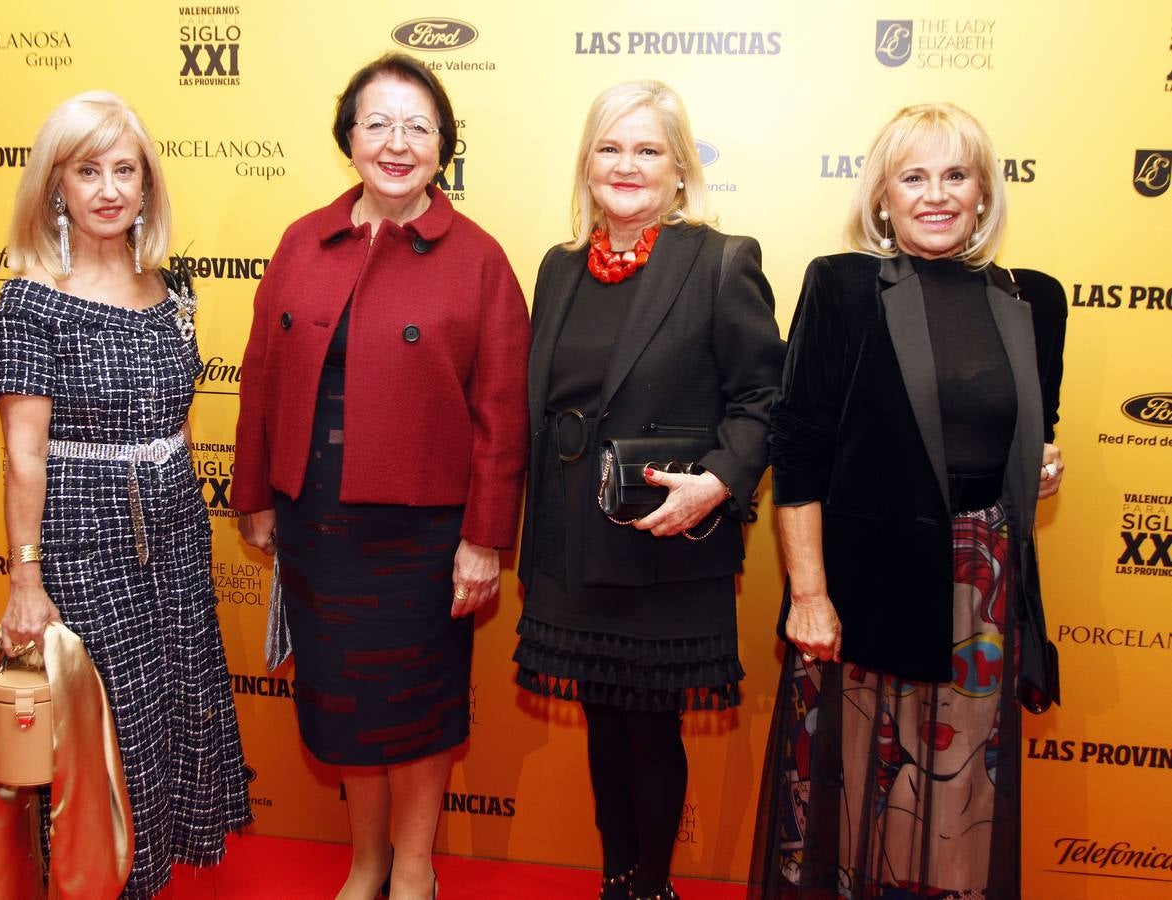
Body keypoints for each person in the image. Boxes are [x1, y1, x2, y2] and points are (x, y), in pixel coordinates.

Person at [749, 102, 1067, 899]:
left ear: (984, 192)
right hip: (866, 591)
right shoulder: (843, 287)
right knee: (861, 794)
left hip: (980, 595)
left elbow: (1031, 432)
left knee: (965, 800)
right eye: (912, 176)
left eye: (955, 175)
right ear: (882, 197)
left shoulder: (1034, 300)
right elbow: (798, 450)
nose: (935, 194)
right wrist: (809, 596)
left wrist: (1035, 464)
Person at [231, 53, 529, 900]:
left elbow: (504, 417)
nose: (396, 143)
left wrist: (483, 540)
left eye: (418, 127)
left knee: (421, 709)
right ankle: (364, 862)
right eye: (378, 123)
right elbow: (259, 377)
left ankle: (412, 867)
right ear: (348, 138)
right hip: (317, 527)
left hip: (426, 537)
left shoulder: (478, 259)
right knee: (347, 712)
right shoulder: (300, 241)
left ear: (443, 147)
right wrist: (253, 495)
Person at [513, 81, 785, 900]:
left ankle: (653, 887)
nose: (625, 165)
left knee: (651, 723)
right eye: (609, 147)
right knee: (603, 716)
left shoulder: (719, 260)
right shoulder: (558, 268)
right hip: (571, 538)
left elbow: (765, 401)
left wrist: (718, 483)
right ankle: (616, 878)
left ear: (678, 168)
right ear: (586, 163)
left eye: (646, 149)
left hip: (665, 534)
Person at [0, 90, 252, 899]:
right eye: (87, 170)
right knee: (110, 727)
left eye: (124, 170)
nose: (108, 189)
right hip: (81, 536)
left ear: (147, 185)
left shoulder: (173, 293)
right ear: (54, 186)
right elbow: (23, 454)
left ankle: (152, 877)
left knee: (177, 708)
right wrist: (25, 580)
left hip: (173, 527)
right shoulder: (30, 300)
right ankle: (88, 883)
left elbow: (176, 420)